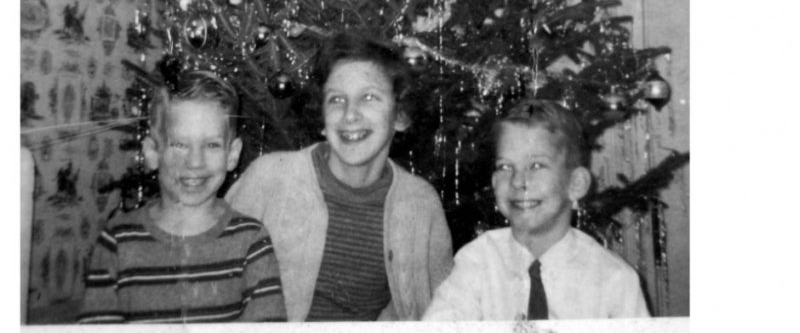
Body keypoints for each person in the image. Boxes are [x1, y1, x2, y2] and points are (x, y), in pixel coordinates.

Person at [226, 32, 453, 321]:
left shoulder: (421, 204)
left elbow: (443, 310)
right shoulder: (269, 179)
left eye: (369, 97)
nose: (350, 114)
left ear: (400, 115)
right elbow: (212, 277)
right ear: (322, 117)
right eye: (336, 100)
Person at [79, 71, 286, 323]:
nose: (195, 162)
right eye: (178, 144)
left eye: (211, 145)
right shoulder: (117, 241)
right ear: (152, 153)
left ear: (232, 154)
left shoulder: (252, 240)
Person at [424, 99, 649, 321]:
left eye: (536, 166)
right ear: (493, 182)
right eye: (505, 166)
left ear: (576, 184)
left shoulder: (614, 280)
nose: (518, 181)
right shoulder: (477, 261)